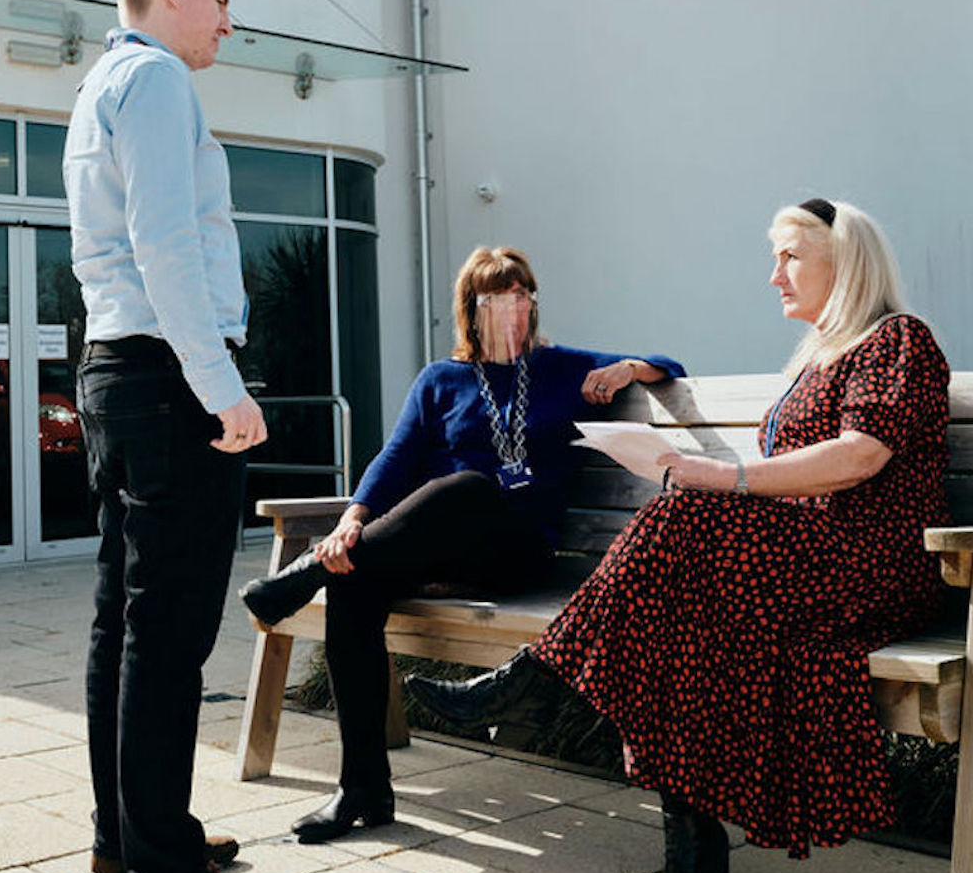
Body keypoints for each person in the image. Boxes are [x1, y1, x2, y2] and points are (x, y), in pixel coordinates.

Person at [407, 200, 949, 873]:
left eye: (790, 257)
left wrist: (722, 478)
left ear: (846, 261)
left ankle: (535, 682)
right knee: (672, 629)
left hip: (867, 566)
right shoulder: (816, 357)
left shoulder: (896, 339)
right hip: (794, 560)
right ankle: (685, 866)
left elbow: (860, 456)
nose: (774, 275)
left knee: (683, 517)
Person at [240, 245, 684, 842]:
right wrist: (351, 520)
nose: (514, 307)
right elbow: (395, 458)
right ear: (472, 309)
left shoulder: (561, 369)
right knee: (353, 586)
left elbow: (669, 366)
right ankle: (362, 788)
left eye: (523, 295)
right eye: (498, 297)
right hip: (438, 552)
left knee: (467, 487)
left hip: (516, 552)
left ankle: (303, 576)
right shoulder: (440, 380)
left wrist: (629, 368)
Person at [66, 0, 313, 873]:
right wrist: (222, 390)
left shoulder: (100, 84)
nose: (227, 21)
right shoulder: (158, 82)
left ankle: (127, 842)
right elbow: (165, 244)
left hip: (116, 372)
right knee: (166, 639)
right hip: (169, 381)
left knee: (124, 625)